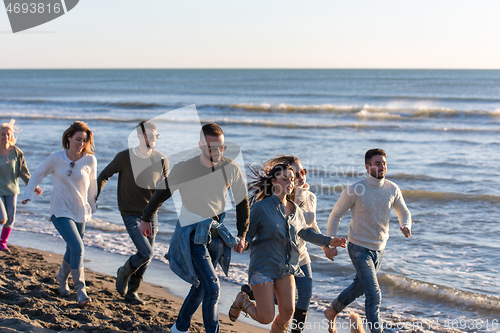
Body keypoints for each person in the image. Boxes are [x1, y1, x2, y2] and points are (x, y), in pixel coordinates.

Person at [139, 123, 250, 333]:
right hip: (191, 234)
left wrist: (242, 234)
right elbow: (162, 193)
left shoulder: (231, 169)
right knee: (212, 288)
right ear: (201, 145)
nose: (217, 152)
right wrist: (146, 217)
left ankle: (180, 327)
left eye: (221, 147)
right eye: (211, 147)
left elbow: (242, 203)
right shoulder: (184, 168)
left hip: (216, 235)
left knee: (201, 286)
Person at [228, 163, 346, 333]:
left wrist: (329, 241)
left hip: (286, 267)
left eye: (291, 179)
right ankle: (243, 301)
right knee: (265, 317)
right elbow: (248, 233)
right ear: (274, 181)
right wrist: (242, 242)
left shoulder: (295, 209)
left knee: (287, 313)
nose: (290, 183)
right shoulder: (261, 207)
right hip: (263, 266)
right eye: (285, 179)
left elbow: (305, 232)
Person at [323, 149, 412, 333]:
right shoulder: (355, 189)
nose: (382, 166)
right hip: (358, 248)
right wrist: (329, 243)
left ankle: (332, 311)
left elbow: (403, 212)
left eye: (384, 163)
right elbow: (335, 215)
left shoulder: (392, 188)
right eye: (378, 163)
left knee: (360, 287)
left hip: (379, 250)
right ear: (367, 166)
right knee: (374, 295)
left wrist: (406, 225)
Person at [22, 121, 97, 307]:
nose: (80, 143)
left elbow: (93, 184)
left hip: (80, 210)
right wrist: (27, 193)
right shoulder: (56, 158)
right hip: (60, 210)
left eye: (84, 140)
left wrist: (92, 204)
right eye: (78, 139)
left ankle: (61, 279)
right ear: (69, 138)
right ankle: (81, 290)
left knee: (72, 248)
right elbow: (38, 174)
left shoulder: (90, 160)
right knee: (78, 247)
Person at [96, 121, 168, 304]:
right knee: (145, 253)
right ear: (139, 137)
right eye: (149, 136)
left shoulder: (161, 160)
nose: (153, 139)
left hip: (151, 214)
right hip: (129, 212)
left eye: (155, 136)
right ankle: (123, 272)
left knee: (148, 256)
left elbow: (166, 189)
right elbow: (104, 175)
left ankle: (132, 291)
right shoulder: (124, 157)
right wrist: (94, 197)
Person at [0, 119, 42, 252]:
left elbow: (24, 172)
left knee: (10, 219)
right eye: (2, 134)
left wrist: (33, 185)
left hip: (12, 190)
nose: (5, 137)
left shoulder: (17, 152)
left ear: (11, 136)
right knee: (2, 218)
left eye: (8, 134)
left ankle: (2, 243)